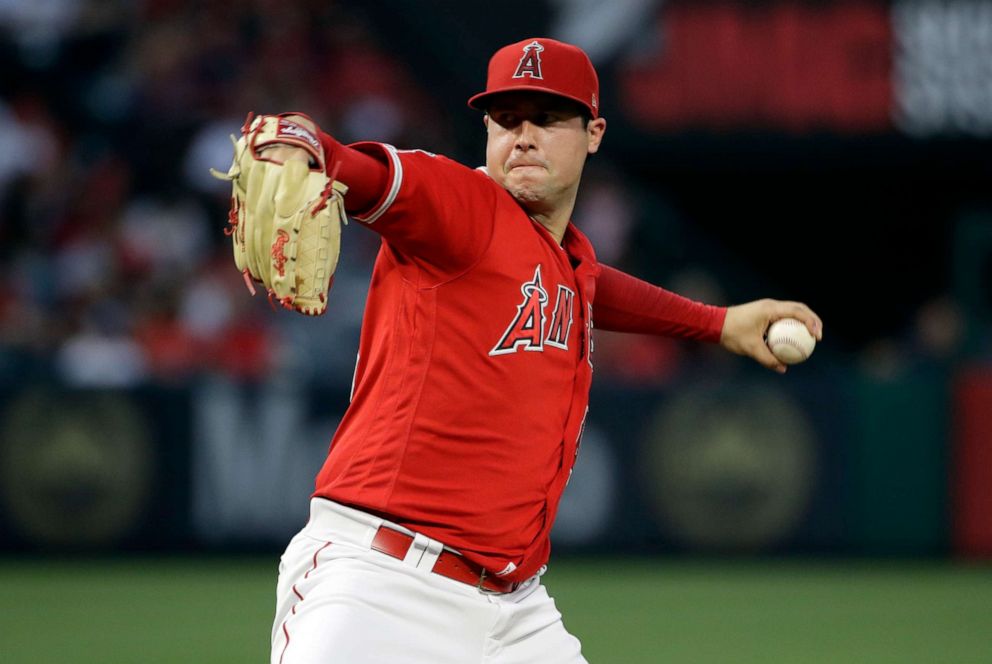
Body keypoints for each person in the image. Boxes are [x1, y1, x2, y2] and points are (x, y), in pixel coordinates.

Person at [260, 37, 822, 664]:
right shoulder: (462, 209)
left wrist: (716, 323)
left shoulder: (565, 259)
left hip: (516, 611)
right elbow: (372, 174)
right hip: (380, 586)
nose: (523, 136)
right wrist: (304, 143)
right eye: (506, 120)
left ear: (594, 133)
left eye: (548, 118)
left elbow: (592, 287)